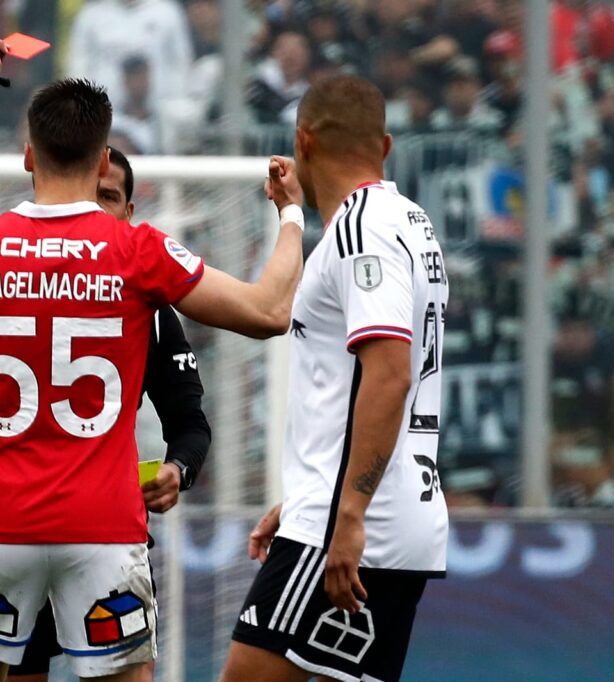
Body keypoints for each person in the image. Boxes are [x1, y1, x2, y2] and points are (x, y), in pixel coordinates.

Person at [0, 39, 305, 682]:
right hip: (103, 532)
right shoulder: (139, 251)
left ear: (28, 156)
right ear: (101, 164)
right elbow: (267, 314)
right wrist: (290, 215)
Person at [0, 40, 213, 682]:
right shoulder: (0, 258)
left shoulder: (151, 303)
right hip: (32, 527)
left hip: (90, 525)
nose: (96, 207)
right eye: (95, 190)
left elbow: (191, 423)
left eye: (110, 200)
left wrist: (180, 470)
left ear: (130, 213)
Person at [222, 74, 449, 682]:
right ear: (387, 146)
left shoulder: (358, 232)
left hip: (348, 527)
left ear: (303, 141)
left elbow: (390, 375)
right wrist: (305, 495)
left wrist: (344, 513)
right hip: (388, 515)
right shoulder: (410, 222)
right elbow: (351, 383)